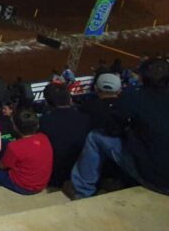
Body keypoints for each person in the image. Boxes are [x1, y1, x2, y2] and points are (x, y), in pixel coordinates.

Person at [71, 58, 169, 198]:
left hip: (157, 178)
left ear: (142, 77)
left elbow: (113, 129)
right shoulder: (135, 95)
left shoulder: (133, 96)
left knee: (95, 137)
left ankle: (82, 193)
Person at [0, 110, 52, 194]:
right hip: (41, 184)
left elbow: (1, 166)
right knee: (3, 143)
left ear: (15, 127)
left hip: (24, 187)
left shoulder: (14, 147)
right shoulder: (44, 138)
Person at [39, 82, 91, 189]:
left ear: (47, 102)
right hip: (82, 172)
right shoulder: (85, 119)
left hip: (56, 176)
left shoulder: (44, 122)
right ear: (70, 100)